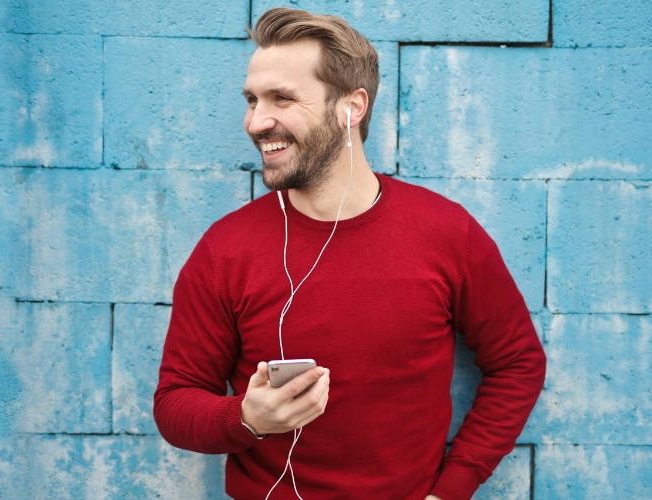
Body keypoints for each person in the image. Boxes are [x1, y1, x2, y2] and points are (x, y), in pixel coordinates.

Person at [154, 7, 546, 500]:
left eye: (282, 99)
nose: (257, 121)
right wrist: (246, 418)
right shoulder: (224, 250)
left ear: (352, 107)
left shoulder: (446, 233)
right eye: (252, 100)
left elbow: (517, 363)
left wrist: (453, 486)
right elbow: (174, 403)